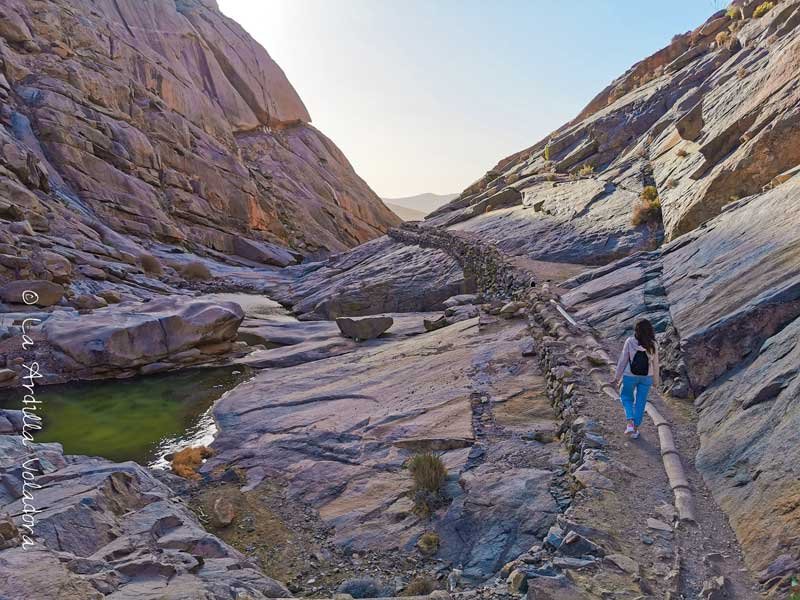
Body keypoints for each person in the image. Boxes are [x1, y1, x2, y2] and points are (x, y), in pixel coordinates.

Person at [612, 318, 660, 439]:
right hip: (646, 377)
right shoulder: (653, 344)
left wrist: (617, 377)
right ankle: (635, 429)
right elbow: (655, 364)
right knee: (641, 401)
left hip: (630, 376)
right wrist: (656, 381)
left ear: (636, 330)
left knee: (626, 397)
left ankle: (630, 423)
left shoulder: (630, 341)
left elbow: (623, 360)